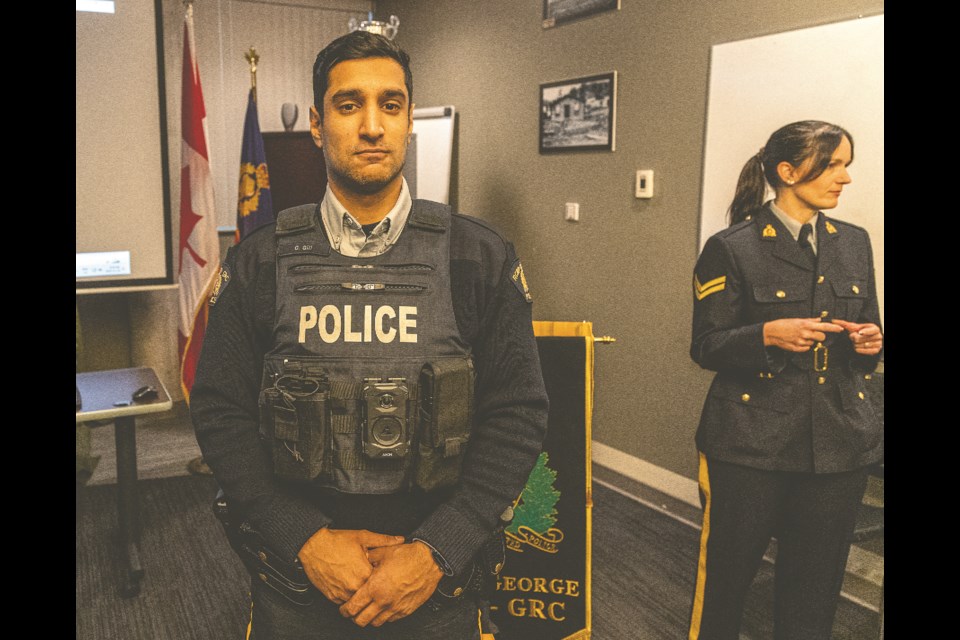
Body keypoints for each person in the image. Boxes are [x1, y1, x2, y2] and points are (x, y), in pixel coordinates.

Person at [191, 31, 548, 639]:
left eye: (391, 104)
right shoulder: (260, 264)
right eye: (349, 104)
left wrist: (439, 547)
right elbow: (221, 410)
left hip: (434, 582)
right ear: (316, 124)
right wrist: (300, 535)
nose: (373, 126)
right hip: (299, 581)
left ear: (409, 120)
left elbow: (516, 414)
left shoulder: (478, 259)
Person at [686, 120, 883, 640]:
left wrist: (868, 343)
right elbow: (705, 345)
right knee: (726, 580)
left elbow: (869, 329)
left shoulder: (854, 243)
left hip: (838, 442)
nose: (844, 179)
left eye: (847, 166)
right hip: (751, 443)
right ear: (787, 171)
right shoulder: (732, 247)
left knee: (815, 587)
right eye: (833, 165)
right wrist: (767, 335)